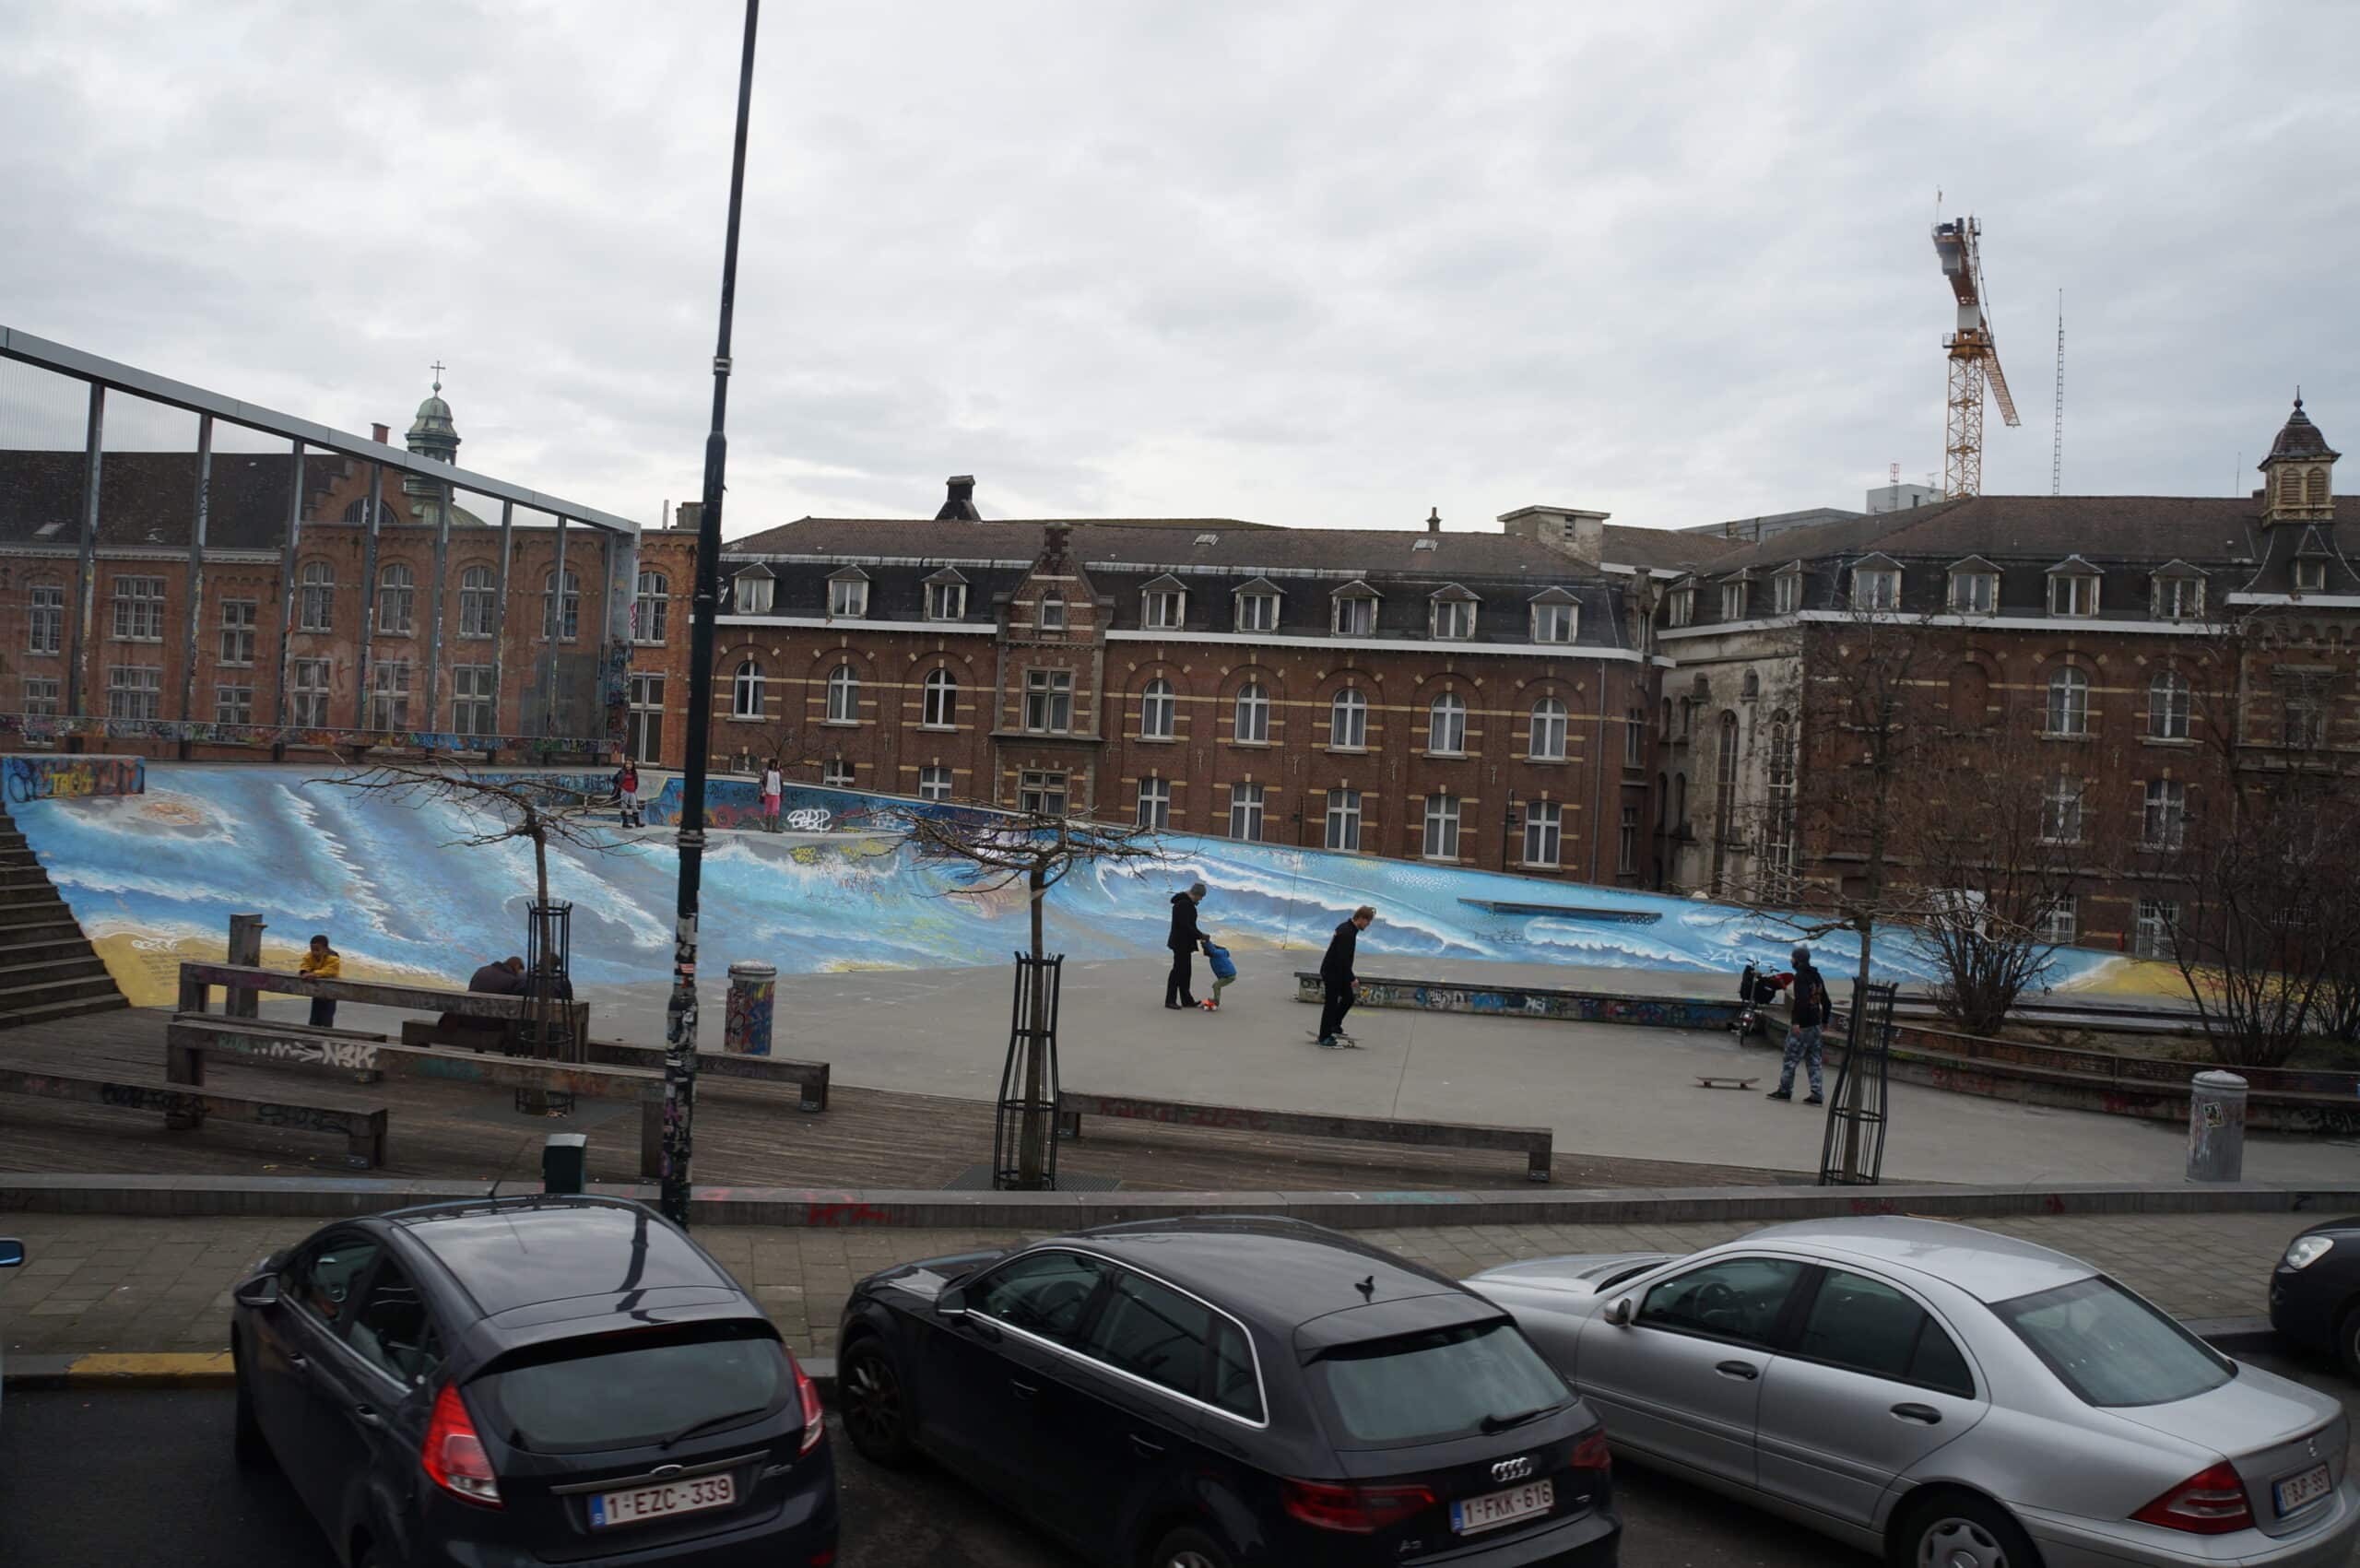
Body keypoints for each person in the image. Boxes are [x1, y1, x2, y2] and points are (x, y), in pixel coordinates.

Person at [1767, 944, 1828, 1105]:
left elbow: (1801, 1001)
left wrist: (1796, 1022)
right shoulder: (1817, 975)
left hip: (1803, 1026)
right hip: (1815, 1024)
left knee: (1790, 1059)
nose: (1791, 960)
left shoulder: (1800, 976)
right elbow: (1826, 1001)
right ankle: (1817, 1094)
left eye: (1792, 958)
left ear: (1797, 960)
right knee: (1814, 1060)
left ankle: (1785, 1091)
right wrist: (1825, 1021)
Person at [1316, 906, 1375, 1049]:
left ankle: (1334, 1025)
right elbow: (1342, 959)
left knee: (1348, 998)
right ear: (1361, 918)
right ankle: (1324, 1036)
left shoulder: (1347, 928)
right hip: (1332, 972)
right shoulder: (1347, 933)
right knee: (1331, 1004)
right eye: (1368, 921)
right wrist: (1352, 978)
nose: (1368, 925)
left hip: (1338, 971)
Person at [1164, 882, 1208, 1008]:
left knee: (1186, 972)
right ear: (1196, 894)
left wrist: (1199, 935)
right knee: (1178, 971)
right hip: (1180, 943)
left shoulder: (1186, 903)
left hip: (1184, 942)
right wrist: (1201, 935)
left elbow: (1189, 925)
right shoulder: (1184, 905)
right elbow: (1186, 926)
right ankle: (1170, 1000)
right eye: (1201, 897)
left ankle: (1186, 1000)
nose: (1201, 899)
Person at [299, 934, 340, 1028]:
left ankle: (325, 1038)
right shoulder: (310, 956)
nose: (314, 953)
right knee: (314, 1018)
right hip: (317, 991)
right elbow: (305, 963)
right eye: (312, 950)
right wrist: (304, 972)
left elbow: (329, 971)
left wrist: (314, 974)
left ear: (326, 949)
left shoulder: (334, 958)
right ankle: (312, 1037)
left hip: (330, 992)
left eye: (317, 950)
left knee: (327, 1019)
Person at [1199, 940, 1236, 1011]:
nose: (1204, 953)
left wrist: (1206, 943)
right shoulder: (1221, 952)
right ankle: (1216, 1000)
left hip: (1228, 975)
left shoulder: (1216, 954)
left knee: (1216, 985)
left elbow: (1212, 950)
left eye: (1205, 952)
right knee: (1217, 986)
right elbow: (1225, 950)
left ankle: (1216, 1001)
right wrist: (1210, 944)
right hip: (1230, 974)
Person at [615, 759, 641, 828]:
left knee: (634, 807)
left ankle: (637, 823)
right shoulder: (622, 772)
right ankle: (625, 823)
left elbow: (636, 782)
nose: (628, 765)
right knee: (624, 807)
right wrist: (620, 787)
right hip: (625, 791)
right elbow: (614, 780)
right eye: (627, 764)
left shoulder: (634, 772)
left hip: (632, 791)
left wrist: (634, 789)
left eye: (630, 764)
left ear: (633, 765)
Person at [761, 759, 784, 832]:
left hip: (777, 793)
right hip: (768, 793)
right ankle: (767, 827)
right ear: (772, 764)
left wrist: (781, 793)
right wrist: (763, 791)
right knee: (767, 810)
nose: (778, 765)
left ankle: (774, 828)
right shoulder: (766, 772)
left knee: (776, 810)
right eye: (777, 764)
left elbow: (781, 783)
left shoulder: (779, 772)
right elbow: (761, 782)